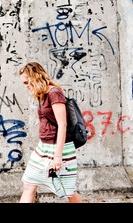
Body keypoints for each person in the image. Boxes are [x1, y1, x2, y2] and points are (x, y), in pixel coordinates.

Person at [18, 62, 82, 203]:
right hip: (44, 148)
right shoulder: (42, 94)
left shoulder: (54, 93)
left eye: (27, 82)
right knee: (28, 184)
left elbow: (62, 124)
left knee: (69, 190)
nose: (26, 86)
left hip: (60, 148)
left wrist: (57, 156)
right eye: (24, 83)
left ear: (36, 78)